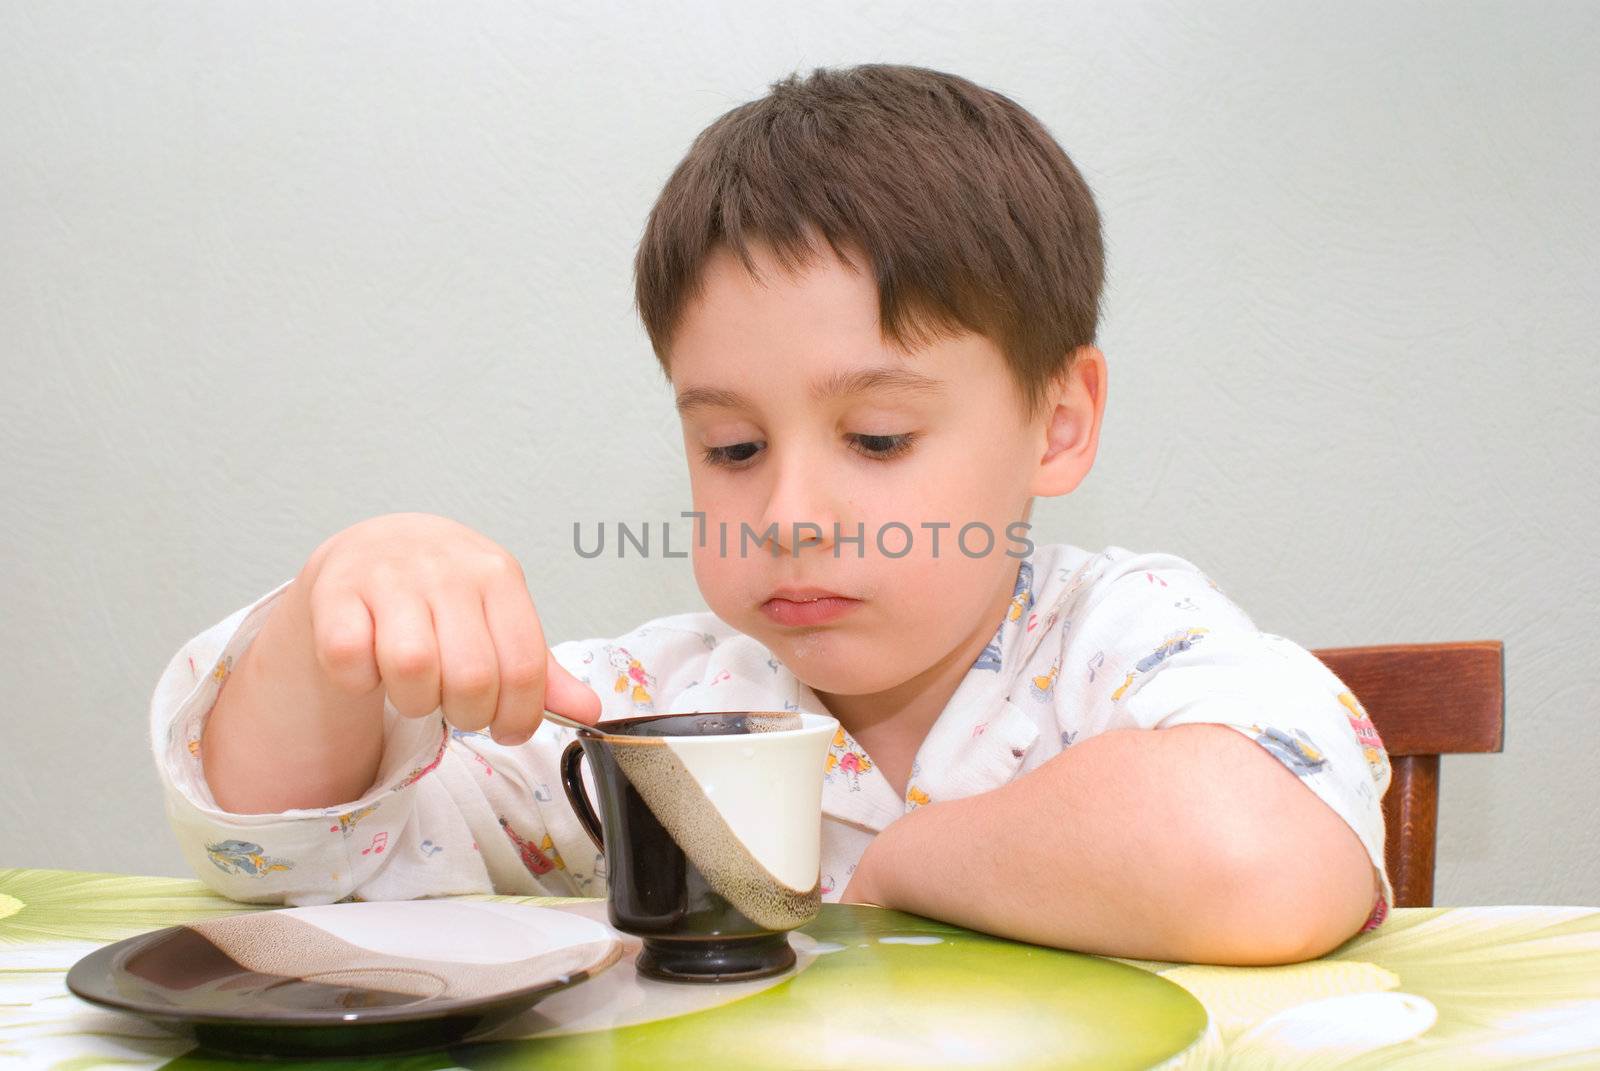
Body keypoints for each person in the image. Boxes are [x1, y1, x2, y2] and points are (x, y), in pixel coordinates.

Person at [151, 64, 1391, 966]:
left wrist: (891, 866)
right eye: (731, 447)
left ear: (1059, 419)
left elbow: (1254, 853)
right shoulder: (650, 707)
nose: (789, 514)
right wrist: (333, 619)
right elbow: (290, 859)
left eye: (878, 439)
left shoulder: (1125, 638)